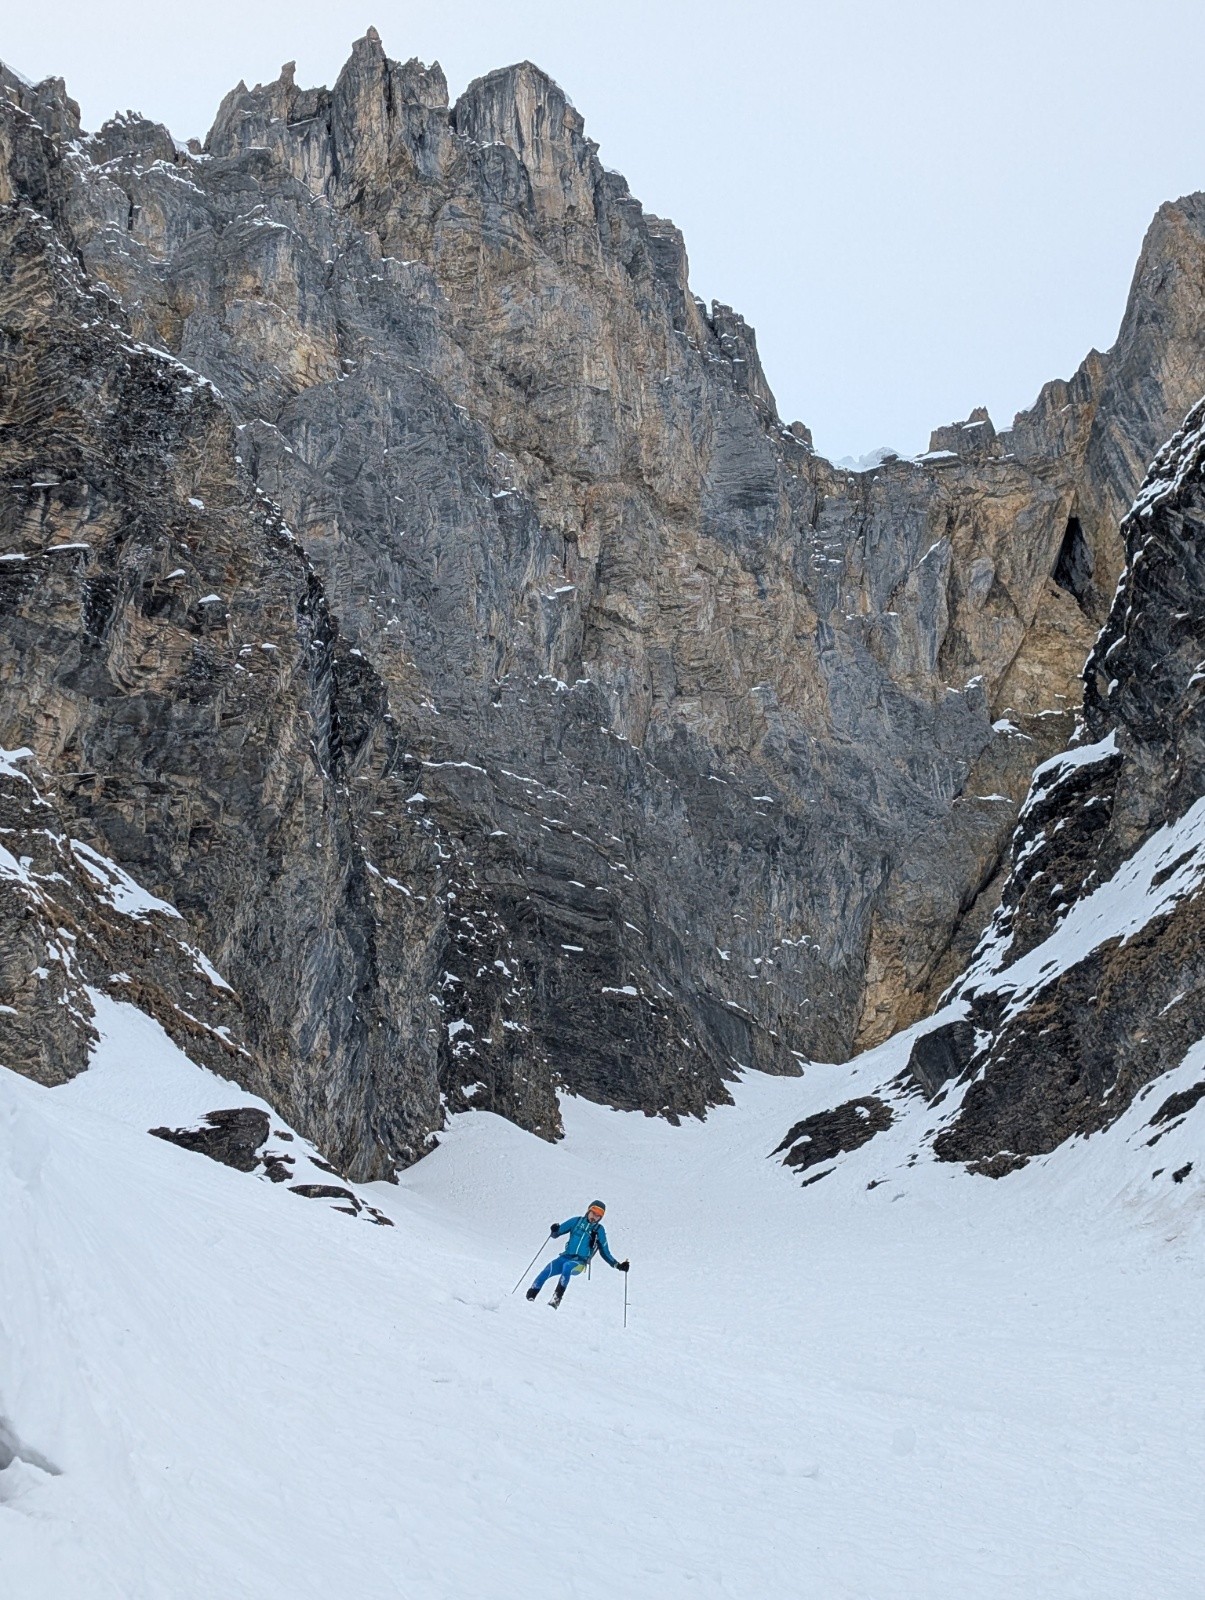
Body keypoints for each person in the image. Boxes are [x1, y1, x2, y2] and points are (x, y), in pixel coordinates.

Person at [526, 1200, 630, 1308]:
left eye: (598, 1216)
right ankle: (530, 1296)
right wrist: (555, 1229)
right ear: (588, 1210)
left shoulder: (599, 1230)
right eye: (593, 1213)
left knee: (567, 1266)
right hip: (565, 1256)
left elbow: (605, 1251)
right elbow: (556, 1234)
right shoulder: (576, 1221)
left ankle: (556, 1300)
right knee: (548, 1269)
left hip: (580, 1262)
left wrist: (618, 1265)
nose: (594, 1217)